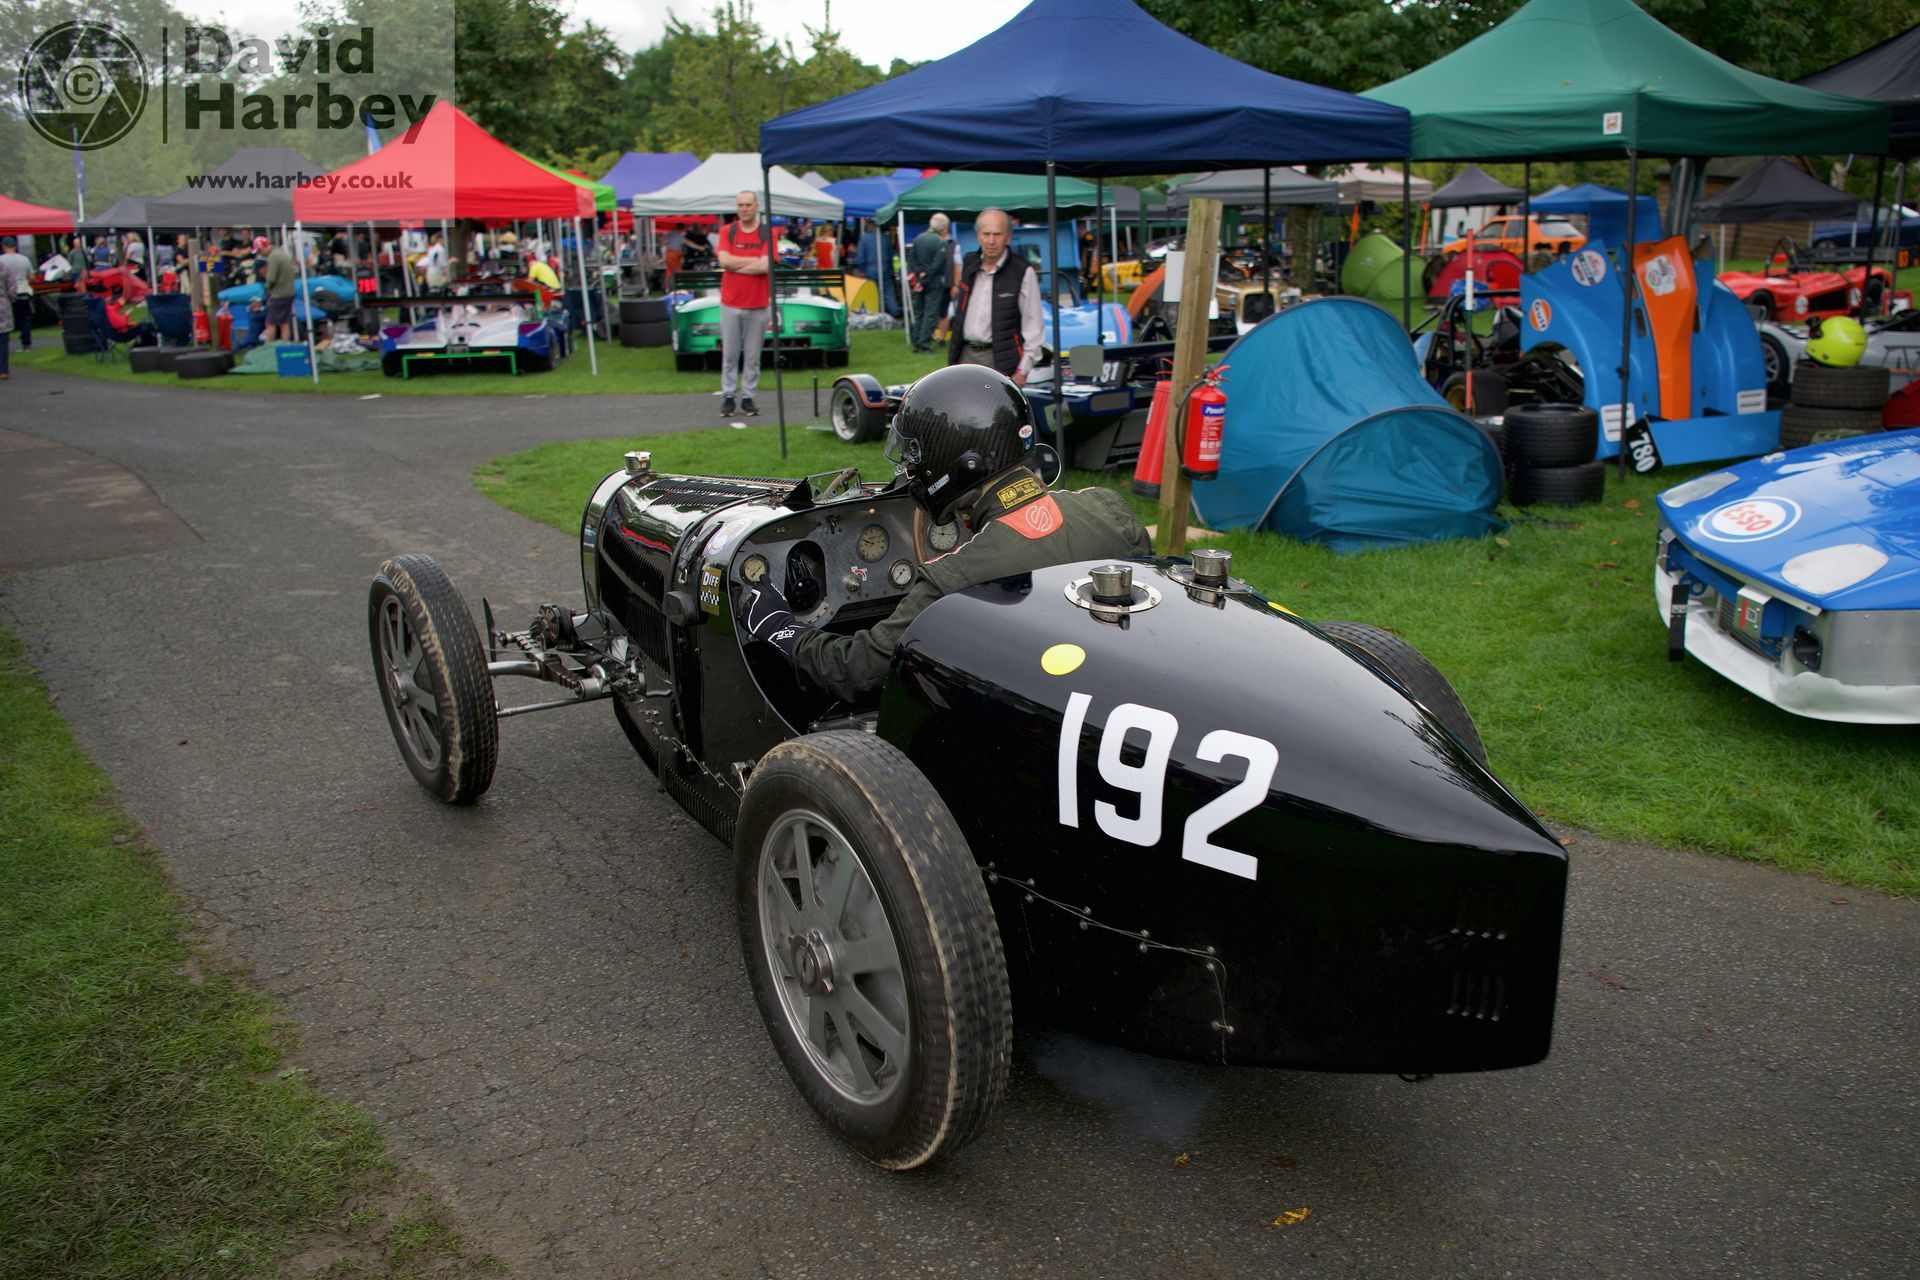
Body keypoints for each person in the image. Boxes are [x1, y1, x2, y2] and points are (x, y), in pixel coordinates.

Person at [740, 365, 1151, 701]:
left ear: (960, 462)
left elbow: (857, 671)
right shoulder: (1110, 512)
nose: (911, 469)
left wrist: (783, 628)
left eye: (917, 455)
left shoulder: (954, 578)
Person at [948, 208, 1042, 385]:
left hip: (999, 360)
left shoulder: (1022, 272)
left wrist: (1023, 369)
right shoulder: (969, 264)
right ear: (978, 235)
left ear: (1008, 236)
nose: (991, 241)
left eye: (997, 234)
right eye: (986, 234)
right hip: (964, 355)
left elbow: (1034, 325)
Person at [714, 190, 771, 418]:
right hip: (731, 301)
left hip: (758, 302)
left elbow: (765, 266)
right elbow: (723, 260)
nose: (744, 208)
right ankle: (728, 395)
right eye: (740, 205)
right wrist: (752, 262)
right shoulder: (728, 231)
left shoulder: (766, 232)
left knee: (753, 355)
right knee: (729, 353)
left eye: (748, 204)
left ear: (756, 206)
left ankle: (748, 396)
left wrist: (736, 265)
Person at [907, 212, 952, 353]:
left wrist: (919, 277)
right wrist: (926, 278)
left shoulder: (918, 239)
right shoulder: (940, 242)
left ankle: (916, 341)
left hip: (919, 280)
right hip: (933, 282)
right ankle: (924, 343)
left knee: (919, 311)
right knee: (930, 313)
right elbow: (937, 265)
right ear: (944, 228)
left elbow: (911, 260)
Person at [261, 236, 296, 342]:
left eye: (259, 250)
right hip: (289, 293)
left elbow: (271, 278)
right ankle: (285, 346)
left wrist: (266, 287)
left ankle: (267, 349)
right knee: (284, 323)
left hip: (279, 295)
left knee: (270, 323)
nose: (260, 253)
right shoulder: (281, 253)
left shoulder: (273, 257)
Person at [1, 237, 33, 351]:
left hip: (6, 294)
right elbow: (31, 277)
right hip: (23, 290)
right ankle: (26, 344)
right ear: (15, 246)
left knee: (5, 321)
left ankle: (5, 344)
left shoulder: (1, 260)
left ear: (3, 246)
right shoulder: (25, 259)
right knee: (25, 319)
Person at [0, 249, 18, 379]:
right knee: (3, 340)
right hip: (2, 304)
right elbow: (12, 289)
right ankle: (3, 370)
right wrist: (10, 298)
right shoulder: (3, 268)